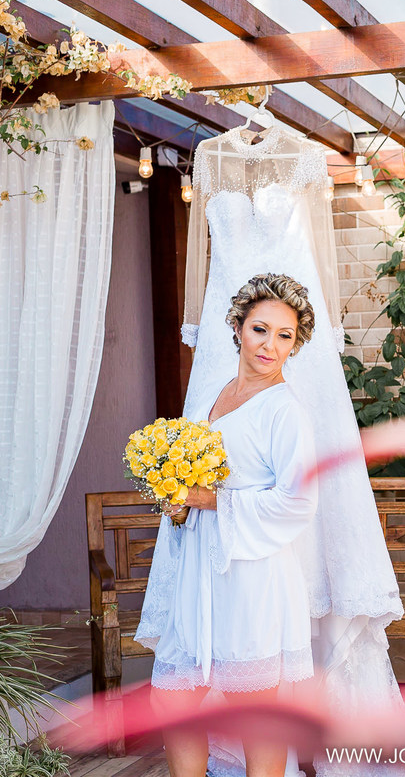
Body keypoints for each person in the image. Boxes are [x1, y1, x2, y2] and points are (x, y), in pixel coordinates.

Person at [136, 273, 319, 777]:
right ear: (238, 328)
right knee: (175, 699)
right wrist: (175, 500)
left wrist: (206, 499)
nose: (271, 345)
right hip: (197, 566)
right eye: (261, 329)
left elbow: (299, 502)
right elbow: (192, 473)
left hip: (251, 572)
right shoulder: (214, 394)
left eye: (285, 336)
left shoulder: (285, 412)